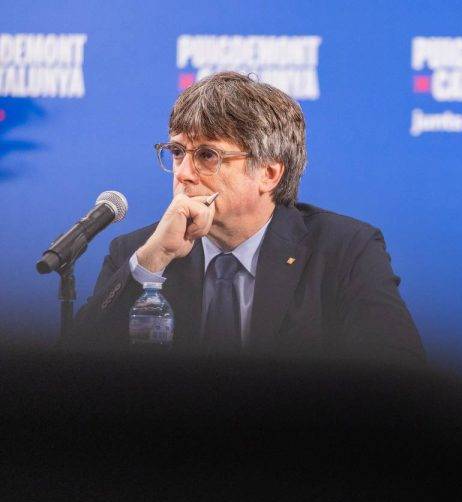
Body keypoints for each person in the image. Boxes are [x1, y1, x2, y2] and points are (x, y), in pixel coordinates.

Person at [72, 71, 424, 365]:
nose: (183, 173)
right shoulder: (139, 252)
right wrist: (155, 259)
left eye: (207, 155)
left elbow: (399, 372)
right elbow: (77, 367)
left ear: (269, 174)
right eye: (177, 152)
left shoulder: (344, 250)